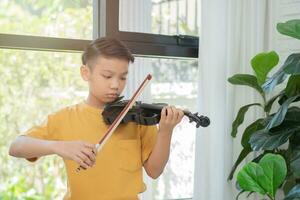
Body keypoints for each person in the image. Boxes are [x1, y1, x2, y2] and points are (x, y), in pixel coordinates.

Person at [9, 37, 184, 200]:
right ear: (86, 73)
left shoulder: (136, 118)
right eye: (107, 76)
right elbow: (16, 147)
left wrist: (166, 132)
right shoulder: (65, 118)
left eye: (123, 77)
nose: (116, 85)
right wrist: (58, 146)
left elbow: (154, 170)